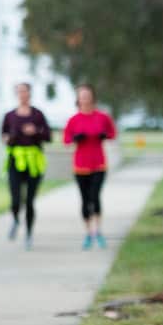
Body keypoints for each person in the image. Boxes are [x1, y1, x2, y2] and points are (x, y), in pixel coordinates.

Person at [63, 84, 116, 250]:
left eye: (88, 95)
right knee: (85, 200)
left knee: (95, 196)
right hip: (80, 166)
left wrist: (104, 136)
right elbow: (66, 140)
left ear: (93, 97)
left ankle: (98, 231)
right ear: (78, 99)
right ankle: (88, 233)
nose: (85, 98)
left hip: (99, 164)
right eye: (82, 95)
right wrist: (75, 139)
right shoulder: (73, 120)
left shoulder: (102, 117)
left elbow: (113, 134)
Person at [0, 82, 51, 250]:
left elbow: (48, 135)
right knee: (15, 198)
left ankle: (29, 234)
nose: (22, 94)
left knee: (29, 200)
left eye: (25, 91)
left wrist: (35, 131)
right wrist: (9, 138)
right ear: (16, 94)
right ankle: (15, 218)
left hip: (34, 160)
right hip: (16, 160)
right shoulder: (9, 116)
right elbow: (3, 136)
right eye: (19, 91)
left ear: (30, 93)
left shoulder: (37, 115)